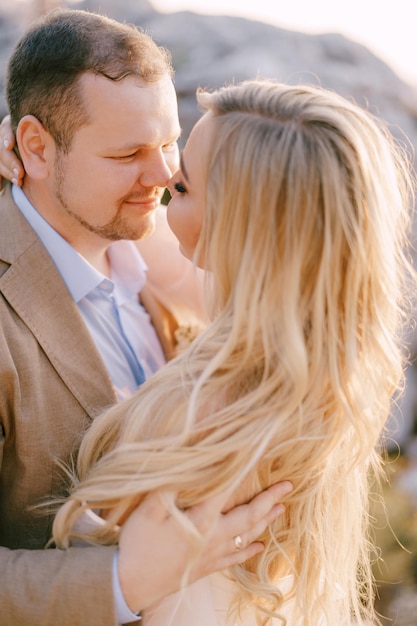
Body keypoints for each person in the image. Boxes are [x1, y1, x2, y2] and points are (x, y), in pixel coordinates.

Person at [45, 80, 415, 625]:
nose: (163, 179)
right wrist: (50, 166)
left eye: (184, 187)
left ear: (241, 232)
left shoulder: (200, 415)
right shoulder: (317, 373)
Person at [0, 9, 290, 626]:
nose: (163, 177)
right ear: (34, 147)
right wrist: (121, 580)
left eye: (167, 143)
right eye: (129, 152)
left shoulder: (163, 250)